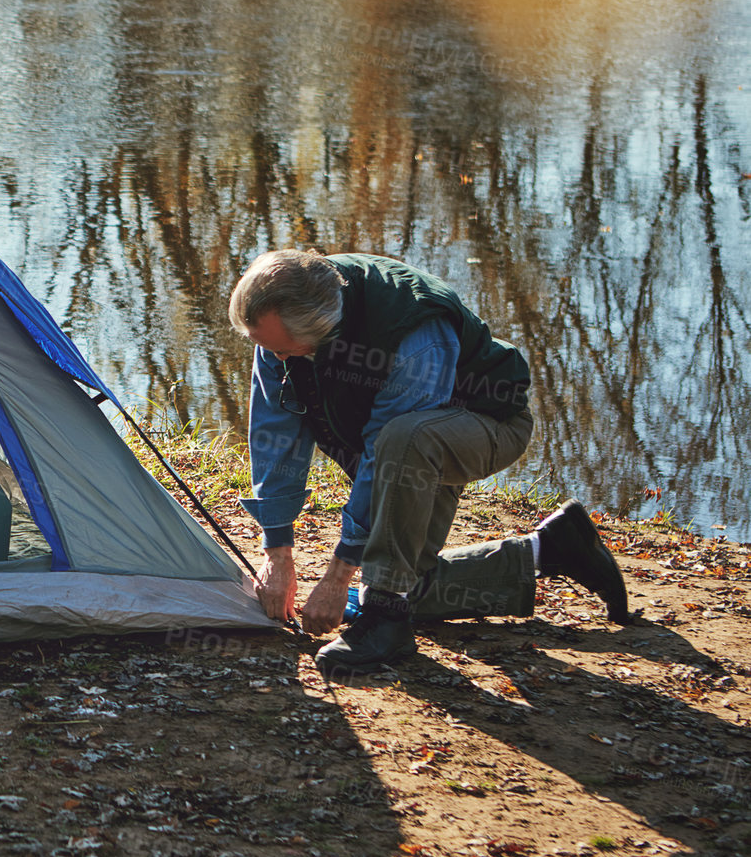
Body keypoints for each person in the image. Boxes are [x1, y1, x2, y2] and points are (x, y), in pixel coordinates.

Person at [229, 250, 633, 679]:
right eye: (268, 349)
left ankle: (386, 621)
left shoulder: (414, 335)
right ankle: (551, 548)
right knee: (408, 581)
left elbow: (383, 453)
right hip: (407, 441)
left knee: (403, 447)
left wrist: (339, 574)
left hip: (482, 423)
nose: (278, 361)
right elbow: (276, 433)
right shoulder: (281, 317)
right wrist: (277, 551)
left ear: (324, 328)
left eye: (287, 351)